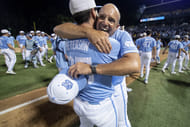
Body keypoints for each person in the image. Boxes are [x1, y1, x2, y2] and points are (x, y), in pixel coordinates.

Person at [54, 1, 140, 127]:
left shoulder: (121, 35)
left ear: (117, 26)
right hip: (88, 90)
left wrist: (92, 68)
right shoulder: (89, 29)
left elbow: (134, 64)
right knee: (85, 123)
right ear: (95, 16)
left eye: (111, 20)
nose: (105, 22)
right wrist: (88, 32)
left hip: (114, 88)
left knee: (121, 122)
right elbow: (58, 29)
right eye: (102, 17)